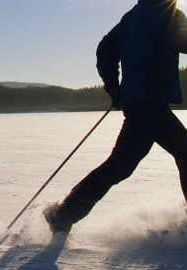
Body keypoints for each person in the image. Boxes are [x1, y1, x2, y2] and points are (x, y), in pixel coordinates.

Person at [44, 0, 187, 234]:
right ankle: (63, 215)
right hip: (150, 105)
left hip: (144, 103)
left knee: (175, 155)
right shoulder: (165, 13)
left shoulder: (131, 18)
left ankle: (64, 214)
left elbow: (105, 49)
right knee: (120, 165)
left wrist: (113, 87)